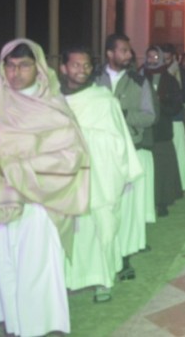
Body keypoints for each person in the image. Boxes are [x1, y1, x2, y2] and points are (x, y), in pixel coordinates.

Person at [0, 39, 90, 336]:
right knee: (4, 270)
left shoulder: (52, 106)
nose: (15, 73)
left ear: (38, 67)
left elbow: (71, 156)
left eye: (24, 65)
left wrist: (17, 168)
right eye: (10, 66)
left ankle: (36, 329)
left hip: (37, 204)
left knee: (35, 274)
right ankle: (15, 328)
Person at [60, 46, 142, 303]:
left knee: (103, 229)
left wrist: (84, 137)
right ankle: (69, 279)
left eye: (86, 65)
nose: (82, 70)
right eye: (75, 65)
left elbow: (120, 139)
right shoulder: (53, 103)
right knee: (73, 232)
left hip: (101, 177)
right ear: (63, 68)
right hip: (68, 180)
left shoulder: (103, 100)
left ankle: (103, 281)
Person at [95, 33, 156, 281]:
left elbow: (150, 116)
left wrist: (123, 114)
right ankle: (103, 258)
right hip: (101, 154)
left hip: (130, 149)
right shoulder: (94, 81)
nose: (129, 55)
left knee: (127, 209)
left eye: (129, 51)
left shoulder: (138, 82)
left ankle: (124, 257)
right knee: (105, 208)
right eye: (123, 50)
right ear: (110, 53)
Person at [141, 46, 184, 217]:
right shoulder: (140, 77)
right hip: (144, 129)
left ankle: (162, 202)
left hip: (162, 129)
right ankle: (146, 202)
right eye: (149, 56)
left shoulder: (169, 80)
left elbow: (176, 105)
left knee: (163, 168)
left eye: (155, 57)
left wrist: (159, 104)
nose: (152, 60)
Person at [162, 43, 185, 192]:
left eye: (167, 59)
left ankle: (182, 182)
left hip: (175, 117)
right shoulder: (157, 73)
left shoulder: (180, 73)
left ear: (173, 57)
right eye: (162, 59)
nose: (164, 62)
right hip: (161, 119)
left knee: (179, 151)